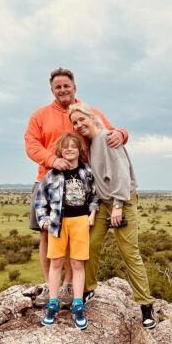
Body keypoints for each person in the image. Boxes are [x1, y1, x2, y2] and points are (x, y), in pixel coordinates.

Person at [24, 68, 128, 307]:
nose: (63, 90)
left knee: (74, 233)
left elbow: (110, 131)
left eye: (66, 86)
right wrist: (53, 160)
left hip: (80, 182)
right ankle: (49, 286)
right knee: (47, 233)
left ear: (74, 87)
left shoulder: (86, 112)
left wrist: (123, 133)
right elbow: (31, 144)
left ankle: (69, 285)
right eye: (58, 87)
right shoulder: (39, 115)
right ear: (52, 90)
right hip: (47, 180)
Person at [69, 102, 156, 329]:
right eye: (74, 123)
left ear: (92, 117)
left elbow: (122, 173)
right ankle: (88, 289)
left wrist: (118, 205)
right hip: (103, 204)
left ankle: (146, 306)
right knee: (89, 244)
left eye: (81, 120)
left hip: (122, 202)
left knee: (129, 253)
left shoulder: (108, 138)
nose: (78, 125)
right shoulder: (90, 145)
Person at [34, 133, 99, 328]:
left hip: (80, 222)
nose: (69, 149)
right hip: (57, 222)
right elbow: (40, 199)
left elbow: (94, 195)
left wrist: (92, 214)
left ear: (80, 150)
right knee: (56, 262)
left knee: (78, 263)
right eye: (65, 147)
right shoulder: (52, 174)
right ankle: (52, 304)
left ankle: (78, 306)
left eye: (73, 146)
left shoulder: (87, 171)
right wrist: (43, 219)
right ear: (59, 150)